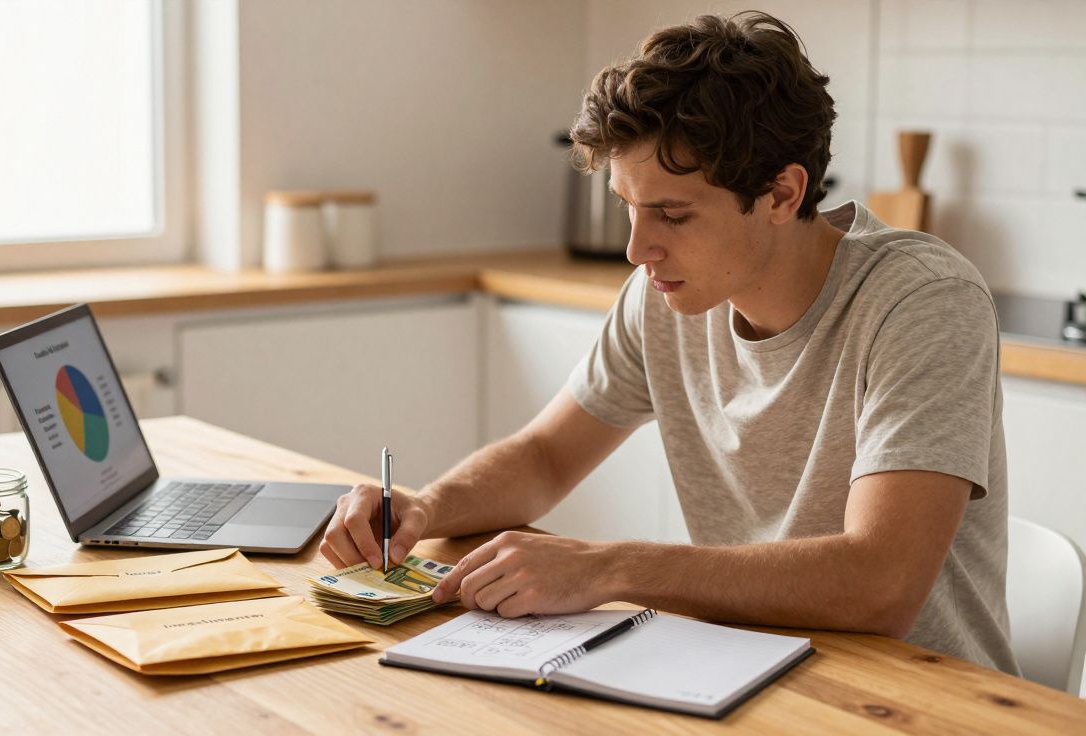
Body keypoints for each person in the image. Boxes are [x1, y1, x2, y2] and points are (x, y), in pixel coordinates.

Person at [319, 11, 1017, 674]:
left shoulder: (922, 300)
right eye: (628, 207)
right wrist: (424, 509)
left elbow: (881, 583)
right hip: (741, 671)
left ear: (781, 194)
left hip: (921, 696)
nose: (636, 249)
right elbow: (543, 458)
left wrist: (608, 568)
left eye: (672, 214)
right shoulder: (665, 296)